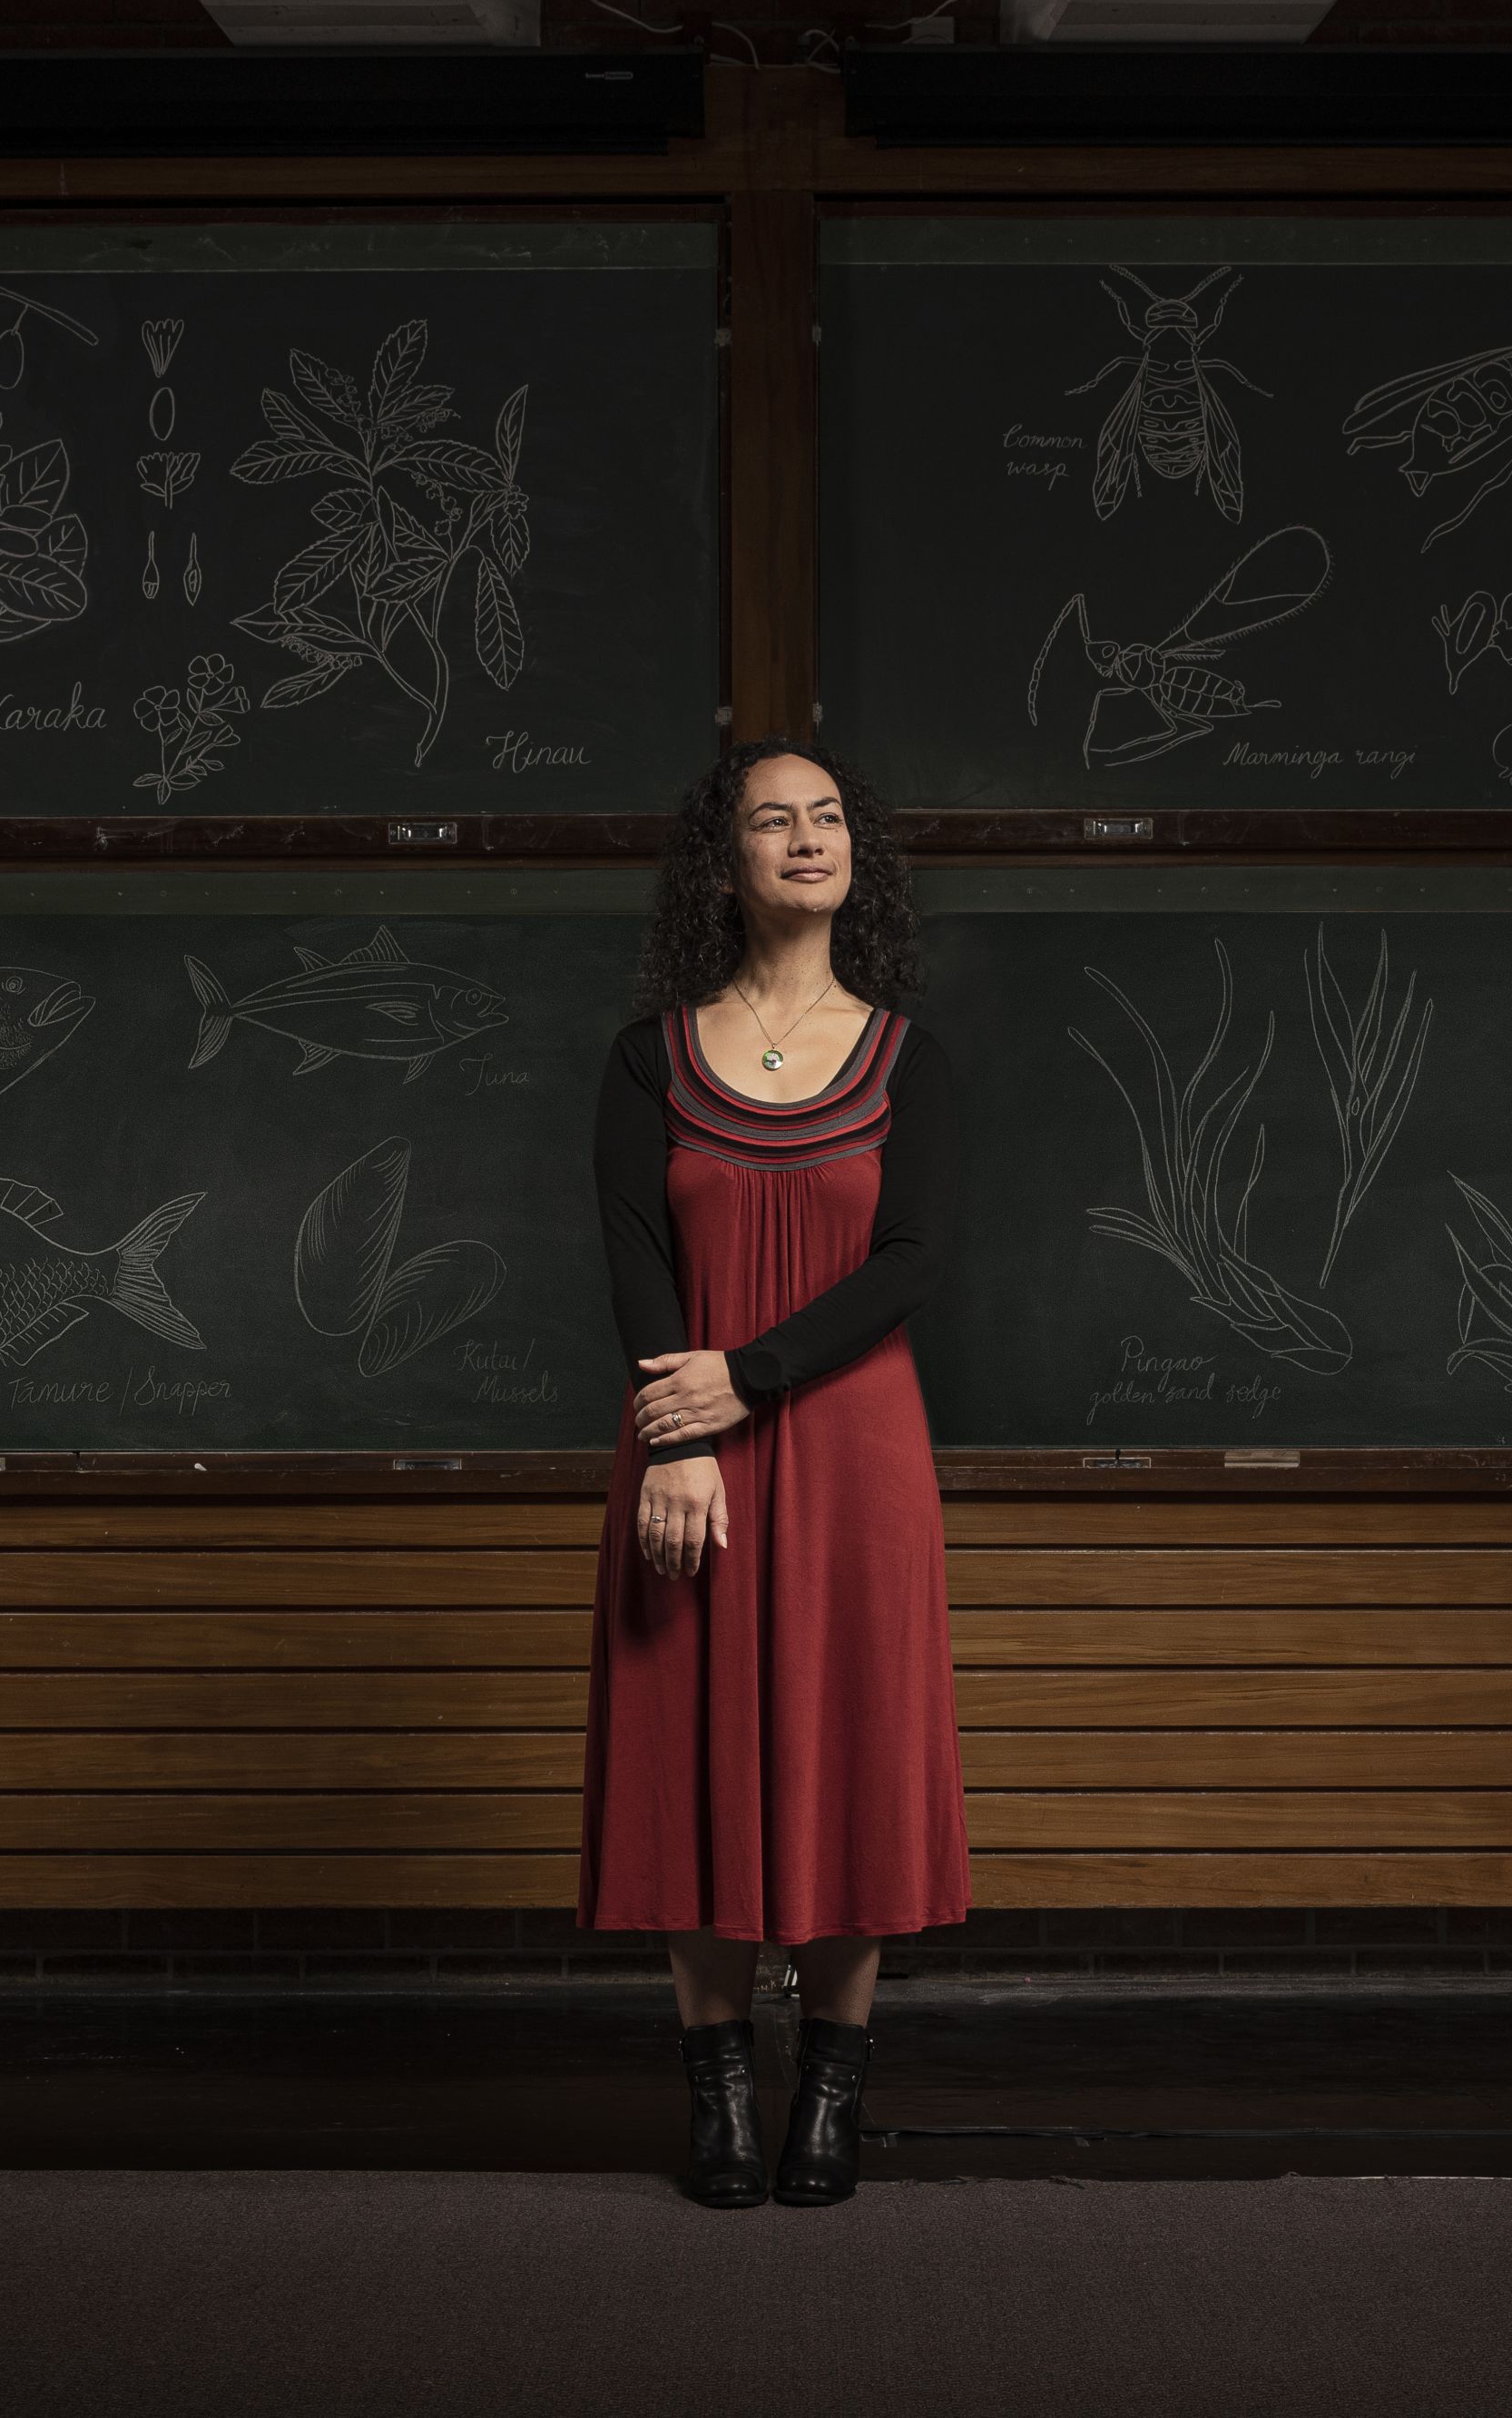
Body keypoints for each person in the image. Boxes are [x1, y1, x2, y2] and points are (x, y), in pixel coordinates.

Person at [580, 737, 969, 2210]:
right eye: (771, 820)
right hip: (687, 1455)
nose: (806, 838)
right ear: (723, 860)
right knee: (691, 1740)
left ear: (854, 853)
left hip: (857, 1455)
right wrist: (681, 1439)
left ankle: (834, 2091)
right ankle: (720, 2094)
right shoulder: (647, 1057)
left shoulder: (910, 1057)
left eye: (827, 818)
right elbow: (633, 1256)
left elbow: (915, 1263)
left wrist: (745, 1380)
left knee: (853, 1744)